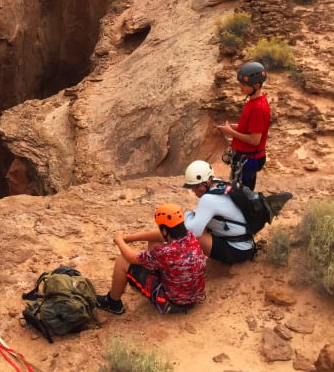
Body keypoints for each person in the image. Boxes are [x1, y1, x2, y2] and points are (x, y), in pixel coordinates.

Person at [96, 203, 206, 315]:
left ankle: (113, 303)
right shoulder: (190, 236)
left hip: (173, 302)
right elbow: (159, 235)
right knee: (155, 242)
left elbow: (130, 257)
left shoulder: (165, 253)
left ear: (165, 230)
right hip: (193, 295)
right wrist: (128, 239)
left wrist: (119, 240)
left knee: (122, 261)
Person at [181, 160, 255, 264]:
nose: (194, 190)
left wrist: (187, 214)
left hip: (238, 251)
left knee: (191, 235)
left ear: (207, 182)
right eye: (192, 187)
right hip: (247, 245)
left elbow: (194, 231)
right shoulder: (220, 185)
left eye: (197, 186)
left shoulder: (208, 199)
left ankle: (183, 266)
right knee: (201, 224)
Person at [215, 61, 271, 190]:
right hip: (246, 158)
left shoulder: (258, 108)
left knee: (243, 194)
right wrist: (233, 126)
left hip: (249, 160)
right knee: (237, 190)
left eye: (244, 85)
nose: (240, 88)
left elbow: (255, 140)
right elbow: (250, 127)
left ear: (256, 85)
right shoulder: (254, 102)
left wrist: (230, 132)